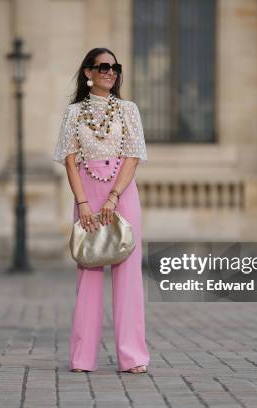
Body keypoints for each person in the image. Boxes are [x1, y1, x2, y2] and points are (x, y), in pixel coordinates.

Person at [53, 48, 150, 374]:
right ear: (88, 73)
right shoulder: (74, 113)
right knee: (89, 273)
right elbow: (69, 159)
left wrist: (112, 198)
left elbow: (133, 156)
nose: (111, 72)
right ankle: (82, 358)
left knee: (128, 275)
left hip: (121, 193)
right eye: (103, 67)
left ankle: (133, 356)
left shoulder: (127, 110)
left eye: (115, 67)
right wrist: (82, 203)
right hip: (86, 192)